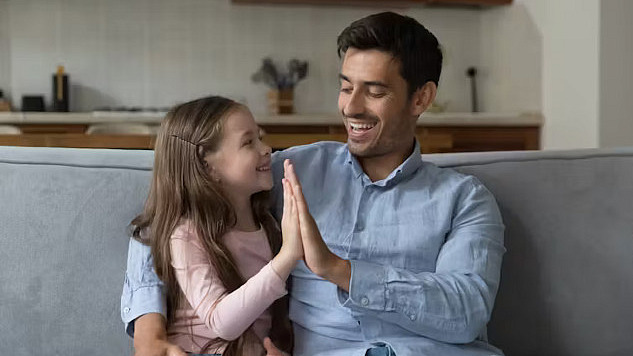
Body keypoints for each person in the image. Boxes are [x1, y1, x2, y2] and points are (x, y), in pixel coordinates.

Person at [122, 11, 506, 356]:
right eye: (345, 87)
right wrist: (149, 328)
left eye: (374, 91)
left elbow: (468, 311)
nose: (352, 107)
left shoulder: (465, 199)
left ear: (421, 98)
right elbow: (174, 210)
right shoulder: (292, 172)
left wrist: (339, 269)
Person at [124, 95, 306, 355]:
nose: (266, 149)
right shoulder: (186, 234)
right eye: (248, 142)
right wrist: (287, 256)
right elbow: (222, 323)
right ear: (207, 165)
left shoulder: (270, 226)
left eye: (260, 137)